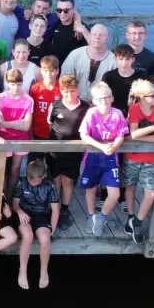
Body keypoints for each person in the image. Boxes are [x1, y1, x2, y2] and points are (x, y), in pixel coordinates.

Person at [78, 82, 128, 237]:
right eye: (100, 99)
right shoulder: (91, 113)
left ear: (112, 98)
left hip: (110, 157)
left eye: (107, 98)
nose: (104, 101)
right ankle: (92, 216)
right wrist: (100, 146)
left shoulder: (117, 114)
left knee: (114, 193)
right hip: (93, 156)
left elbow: (121, 134)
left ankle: (101, 217)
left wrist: (113, 147)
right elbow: (84, 134)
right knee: (91, 189)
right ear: (94, 100)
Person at [122, 80, 154, 245]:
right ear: (142, 97)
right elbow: (133, 133)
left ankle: (138, 222)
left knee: (151, 193)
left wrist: (141, 134)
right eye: (153, 95)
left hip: (150, 158)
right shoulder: (134, 109)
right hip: (132, 156)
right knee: (130, 187)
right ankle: (131, 216)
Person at [47, 74, 89, 228]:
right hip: (55, 150)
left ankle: (64, 210)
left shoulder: (85, 107)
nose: (69, 94)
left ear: (77, 89)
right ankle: (54, 207)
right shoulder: (55, 105)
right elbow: (50, 125)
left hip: (74, 152)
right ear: (61, 90)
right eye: (65, 91)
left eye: (72, 91)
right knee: (56, 180)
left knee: (68, 181)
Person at [13, 157, 60, 289]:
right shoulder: (22, 182)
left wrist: (52, 228)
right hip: (24, 213)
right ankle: (23, 270)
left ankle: (43, 271)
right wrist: (20, 212)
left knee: (45, 238)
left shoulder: (50, 186)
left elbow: (55, 209)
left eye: (35, 181)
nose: (31, 183)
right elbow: (15, 203)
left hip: (41, 214)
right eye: (30, 179)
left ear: (43, 176)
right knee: (27, 236)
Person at [61, 24, 113, 99]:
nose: (97, 37)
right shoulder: (75, 55)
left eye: (101, 35)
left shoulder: (113, 61)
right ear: (90, 36)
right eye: (94, 34)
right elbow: (64, 81)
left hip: (101, 105)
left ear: (107, 38)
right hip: (76, 103)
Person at [99, 44, 139, 114]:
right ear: (115, 58)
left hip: (133, 115)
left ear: (133, 59)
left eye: (127, 59)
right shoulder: (108, 76)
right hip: (111, 114)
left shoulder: (140, 79)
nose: (124, 63)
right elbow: (102, 97)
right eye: (121, 59)